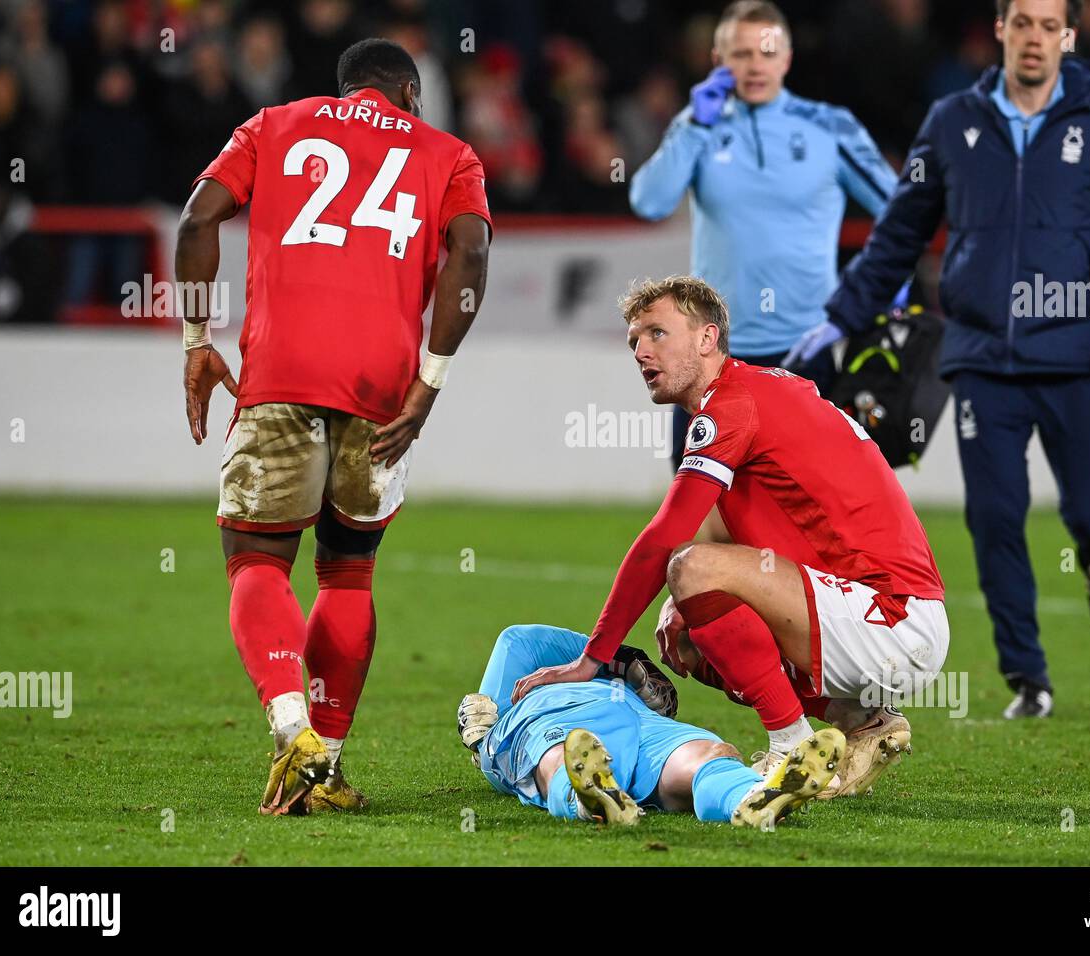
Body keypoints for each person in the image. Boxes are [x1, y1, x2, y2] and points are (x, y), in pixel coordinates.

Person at [812, 0, 1090, 717]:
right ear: (1001, 30)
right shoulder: (952, 122)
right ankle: (1028, 679)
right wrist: (840, 317)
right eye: (1023, 24)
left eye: (1049, 26)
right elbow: (900, 233)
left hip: (1081, 353)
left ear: (1067, 37)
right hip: (983, 356)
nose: (1035, 39)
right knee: (996, 514)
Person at [176, 38, 492, 814]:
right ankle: (330, 758)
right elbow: (472, 251)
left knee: (256, 559)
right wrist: (430, 381)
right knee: (348, 571)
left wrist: (195, 342)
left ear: (346, 88)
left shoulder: (274, 125)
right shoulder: (451, 154)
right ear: (411, 96)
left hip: (279, 375)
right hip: (383, 391)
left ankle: (292, 733)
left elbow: (197, 218)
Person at [510, 276, 948, 797]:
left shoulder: (732, 405)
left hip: (892, 618)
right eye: (633, 341)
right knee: (682, 628)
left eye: (657, 333)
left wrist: (594, 656)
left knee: (691, 571)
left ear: (706, 338)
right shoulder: (751, 393)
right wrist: (676, 609)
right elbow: (698, 536)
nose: (641, 351)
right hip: (864, 617)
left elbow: (665, 540)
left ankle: (791, 747)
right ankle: (859, 720)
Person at [628, 1, 899, 469]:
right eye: (740, 53)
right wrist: (694, 124)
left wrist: (881, 284)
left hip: (808, 348)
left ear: (786, 59)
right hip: (711, 354)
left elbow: (901, 212)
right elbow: (648, 203)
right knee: (703, 516)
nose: (755, 65)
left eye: (766, 52)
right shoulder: (698, 125)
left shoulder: (829, 127)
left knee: (810, 516)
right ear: (717, 59)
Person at [460, 624, 844, 829]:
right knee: (562, 757)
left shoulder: (598, 669)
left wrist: (628, 670)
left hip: (643, 723)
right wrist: (484, 746)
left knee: (705, 756)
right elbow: (498, 746)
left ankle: (751, 800)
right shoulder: (519, 680)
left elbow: (638, 669)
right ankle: (588, 800)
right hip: (558, 713)